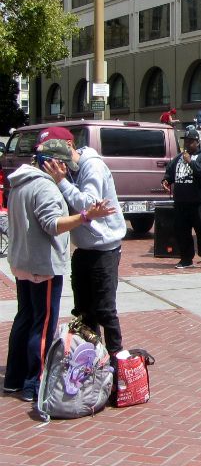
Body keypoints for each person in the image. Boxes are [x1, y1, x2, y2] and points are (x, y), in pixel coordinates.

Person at [4, 138, 114, 402]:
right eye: (64, 164)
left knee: (26, 317)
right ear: (53, 163)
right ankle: (34, 381)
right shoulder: (45, 187)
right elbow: (53, 224)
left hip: (23, 262)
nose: (67, 170)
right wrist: (87, 216)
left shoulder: (20, 182)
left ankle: (13, 378)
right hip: (42, 264)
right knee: (42, 324)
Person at [40, 126, 128, 364]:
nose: (51, 162)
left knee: (105, 310)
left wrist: (61, 182)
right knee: (83, 312)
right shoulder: (66, 170)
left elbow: (89, 204)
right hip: (83, 249)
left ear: (68, 147)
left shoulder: (92, 165)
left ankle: (118, 364)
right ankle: (92, 361)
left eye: (53, 155)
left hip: (104, 249)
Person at [162, 128, 201, 269]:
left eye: (190, 141)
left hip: (199, 203)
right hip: (181, 203)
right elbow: (170, 172)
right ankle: (186, 259)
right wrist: (166, 180)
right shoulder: (179, 158)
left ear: (197, 142)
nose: (187, 144)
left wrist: (191, 162)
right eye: (185, 141)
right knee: (182, 231)